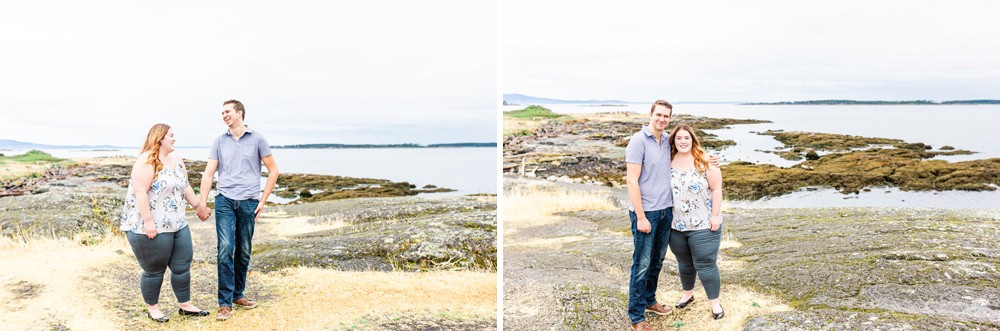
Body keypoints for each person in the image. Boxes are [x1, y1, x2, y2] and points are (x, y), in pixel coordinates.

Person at [197, 99, 279, 321]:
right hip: (224, 200)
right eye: (222, 112)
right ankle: (224, 303)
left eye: (227, 111)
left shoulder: (258, 139)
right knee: (225, 248)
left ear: (239, 113)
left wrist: (262, 201)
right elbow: (208, 173)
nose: (224, 115)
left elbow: (273, 171)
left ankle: (237, 294)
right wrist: (202, 202)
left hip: (249, 202)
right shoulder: (219, 141)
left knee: (243, 250)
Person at [120, 123, 210, 323]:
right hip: (150, 227)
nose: (174, 138)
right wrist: (149, 221)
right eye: (171, 135)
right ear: (160, 138)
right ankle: (153, 308)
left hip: (178, 224)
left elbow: (184, 186)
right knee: (154, 270)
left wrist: (198, 206)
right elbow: (140, 192)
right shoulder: (146, 160)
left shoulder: (177, 159)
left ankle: (185, 306)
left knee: (182, 265)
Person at [666, 124, 725, 320]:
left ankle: (715, 304)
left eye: (686, 138)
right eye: (679, 138)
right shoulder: (667, 160)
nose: (683, 141)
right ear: (673, 141)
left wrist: (715, 216)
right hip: (676, 226)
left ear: (693, 140)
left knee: (706, 264)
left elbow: (716, 189)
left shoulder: (705, 160)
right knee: (684, 263)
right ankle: (687, 295)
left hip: (704, 225)